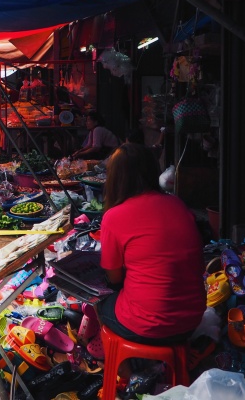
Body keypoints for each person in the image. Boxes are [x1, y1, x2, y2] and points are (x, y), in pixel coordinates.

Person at [98, 143, 205, 344]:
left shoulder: (114, 216)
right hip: (191, 319)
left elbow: (114, 277)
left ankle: (123, 370)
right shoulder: (177, 204)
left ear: (115, 178)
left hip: (149, 325)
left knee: (100, 302)